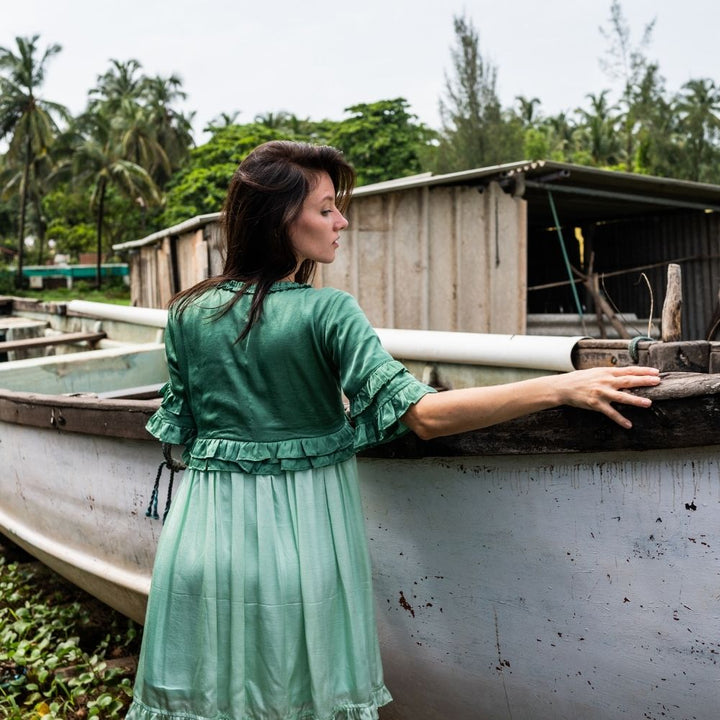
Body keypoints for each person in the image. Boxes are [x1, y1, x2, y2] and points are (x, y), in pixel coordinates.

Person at [126, 141, 660, 720]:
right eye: (327, 208)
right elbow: (424, 416)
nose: (342, 221)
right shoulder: (327, 312)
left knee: (212, 701)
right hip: (302, 545)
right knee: (296, 700)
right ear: (284, 219)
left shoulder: (185, 313)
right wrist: (560, 386)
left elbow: (183, 429)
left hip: (201, 541)